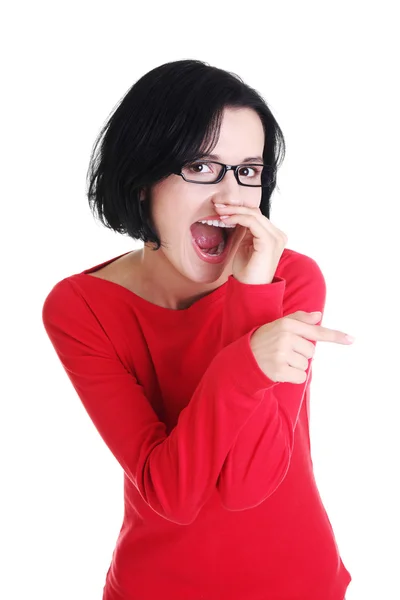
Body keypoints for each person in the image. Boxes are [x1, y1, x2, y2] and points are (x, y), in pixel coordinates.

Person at [41, 59, 353, 600]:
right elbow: (173, 493)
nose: (230, 199)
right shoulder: (81, 307)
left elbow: (248, 485)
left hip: (299, 581)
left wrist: (253, 300)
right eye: (202, 167)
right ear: (142, 181)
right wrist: (247, 362)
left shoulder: (291, 279)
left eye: (248, 171)